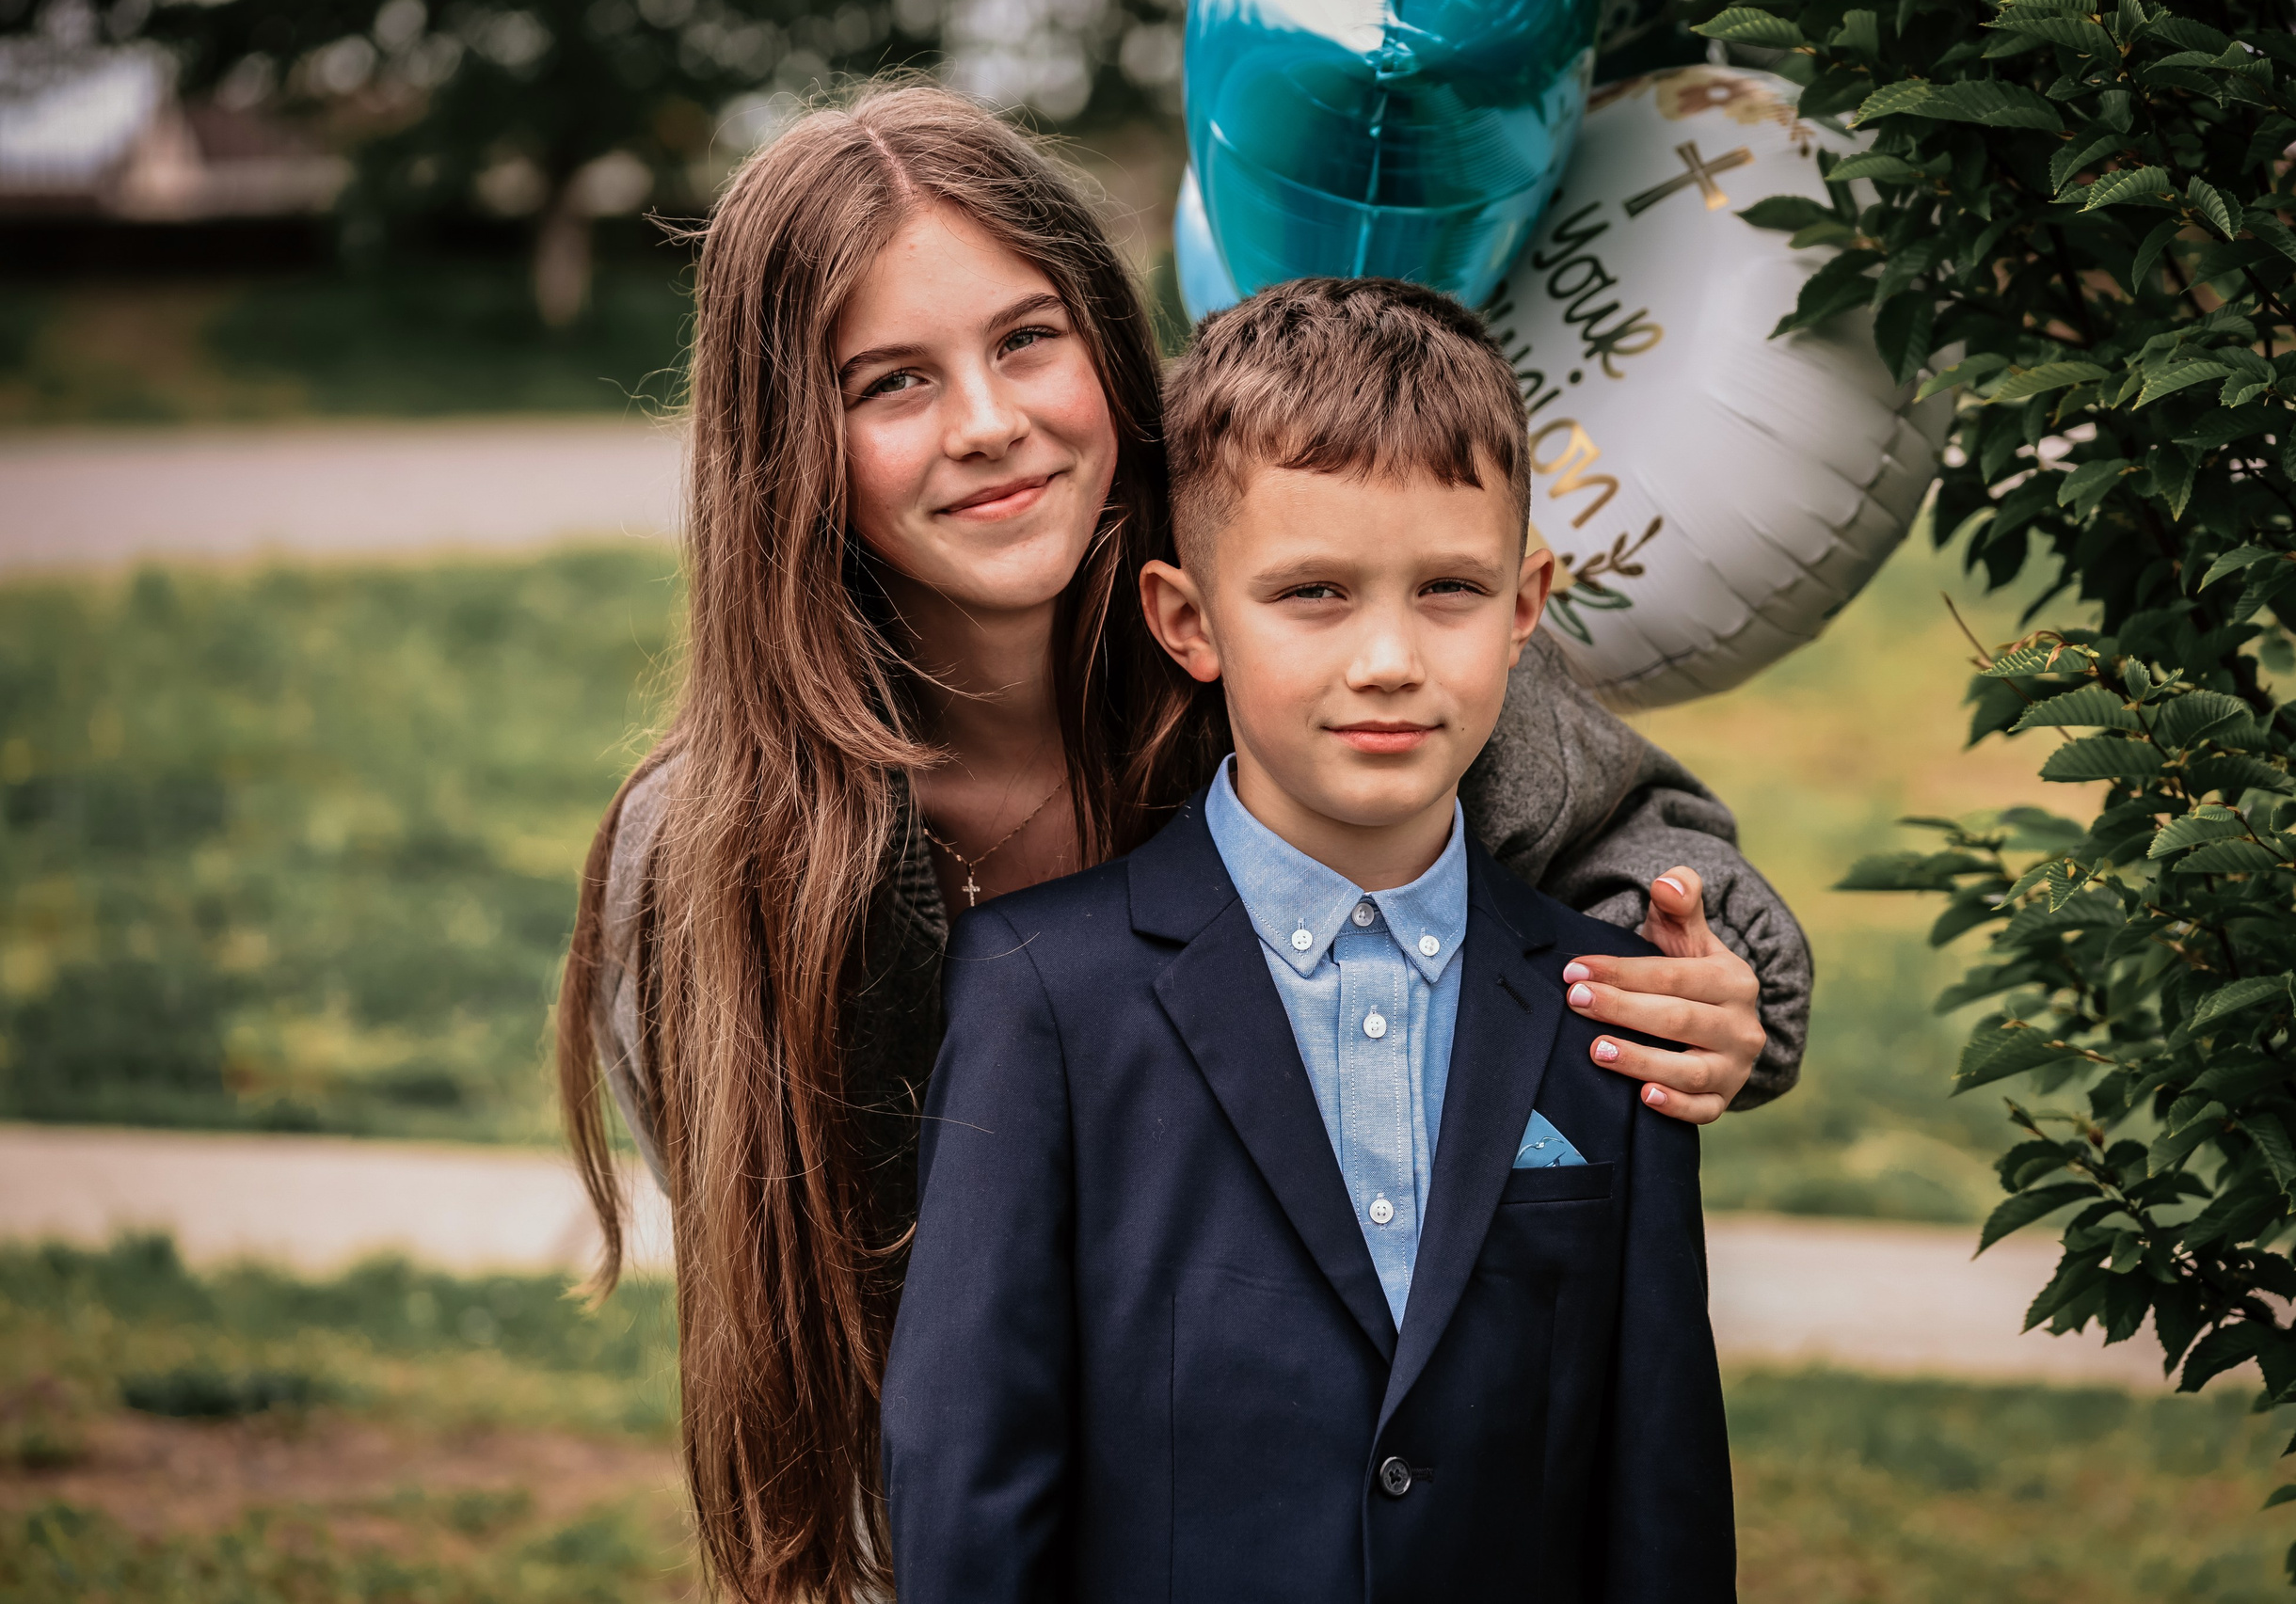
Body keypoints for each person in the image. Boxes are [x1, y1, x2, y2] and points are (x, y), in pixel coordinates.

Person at [554, 84, 1793, 1604]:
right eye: (891, 382)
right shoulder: (719, 861)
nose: (990, 422)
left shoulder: (1305, 622)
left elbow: (1634, 834)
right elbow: (836, 1337)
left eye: (1025, 340)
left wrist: (1714, 990)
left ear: (1105, 340)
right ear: (785, 448)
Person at [884, 277, 1734, 1602]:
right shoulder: (1042, 996)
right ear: (1189, 622)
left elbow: (1663, 1494)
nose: (1389, 657)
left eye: (1447, 589)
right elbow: (971, 1483)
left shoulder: (1608, 1006)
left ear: (1524, 609)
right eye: (1315, 594)